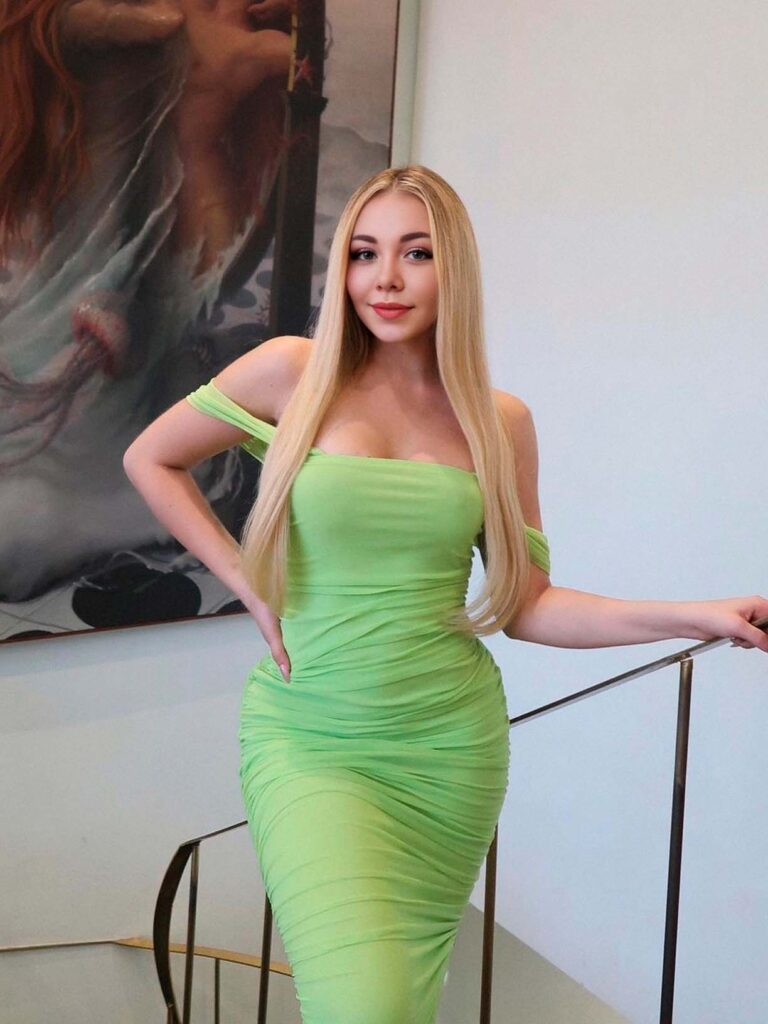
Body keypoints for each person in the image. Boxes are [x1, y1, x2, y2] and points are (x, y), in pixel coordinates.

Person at [123, 164, 768, 1024]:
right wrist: (245, 578)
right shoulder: (291, 373)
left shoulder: (499, 422)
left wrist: (690, 615)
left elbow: (527, 606)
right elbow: (151, 457)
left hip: (447, 750)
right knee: (365, 1005)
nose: (385, 279)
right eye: (364, 253)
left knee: (401, 1004)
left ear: (453, 267)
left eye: (415, 253)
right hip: (310, 740)